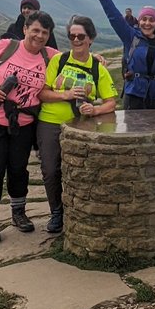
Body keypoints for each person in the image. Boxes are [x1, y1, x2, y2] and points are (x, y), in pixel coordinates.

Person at [0, 11, 59, 243]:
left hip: (24, 123)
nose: (39, 35)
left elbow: (74, 60)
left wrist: (97, 58)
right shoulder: (6, 46)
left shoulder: (50, 56)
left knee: (18, 169)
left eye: (44, 32)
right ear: (25, 29)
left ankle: (18, 212)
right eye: (35, 30)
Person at [37, 16, 117, 234]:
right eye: (72, 36)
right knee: (51, 170)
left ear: (90, 38)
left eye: (81, 36)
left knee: (83, 170)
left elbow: (111, 102)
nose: (76, 40)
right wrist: (67, 94)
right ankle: (57, 212)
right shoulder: (59, 61)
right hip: (51, 121)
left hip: (82, 126)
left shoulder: (97, 68)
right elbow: (43, 93)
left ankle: (82, 209)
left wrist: (95, 110)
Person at [79, 0, 155, 109]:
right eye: (144, 19)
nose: (147, 23)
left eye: (151, 20)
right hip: (134, 93)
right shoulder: (131, 36)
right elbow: (113, 14)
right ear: (139, 21)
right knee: (132, 125)